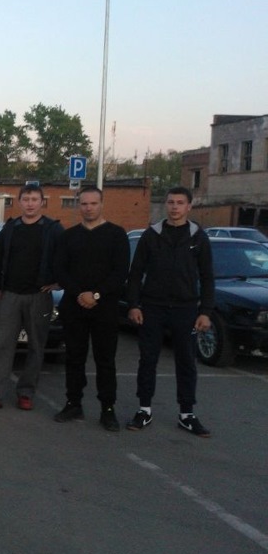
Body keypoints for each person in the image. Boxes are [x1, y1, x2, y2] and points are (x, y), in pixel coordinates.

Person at [126, 186, 214, 437]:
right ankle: (144, 409)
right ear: (166, 205)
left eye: (180, 203)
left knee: (186, 361)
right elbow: (135, 273)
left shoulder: (198, 237)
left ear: (189, 206)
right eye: (171, 202)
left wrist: (205, 311)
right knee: (148, 360)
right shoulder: (151, 235)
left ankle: (187, 414)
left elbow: (207, 276)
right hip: (153, 307)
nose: (175, 207)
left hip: (186, 308)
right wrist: (134, 305)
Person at [0, 185, 63, 412]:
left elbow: (66, 257)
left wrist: (58, 282)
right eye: (26, 199)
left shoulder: (53, 229)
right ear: (19, 201)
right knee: (2, 345)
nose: (30, 203)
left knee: (36, 346)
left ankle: (26, 393)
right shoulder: (11, 228)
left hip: (39, 296)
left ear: (42, 202)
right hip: (10, 295)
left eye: (34, 199)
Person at [53, 186, 129, 431]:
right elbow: (60, 270)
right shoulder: (69, 236)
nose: (88, 208)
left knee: (105, 360)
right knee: (74, 358)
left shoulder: (116, 235)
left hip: (104, 309)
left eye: (93, 203)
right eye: (84, 204)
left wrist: (96, 294)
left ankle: (108, 409)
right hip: (74, 307)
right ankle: (73, 403)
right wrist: (79, 293)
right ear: (79, 205)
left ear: (101, 204)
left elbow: (120, 272)